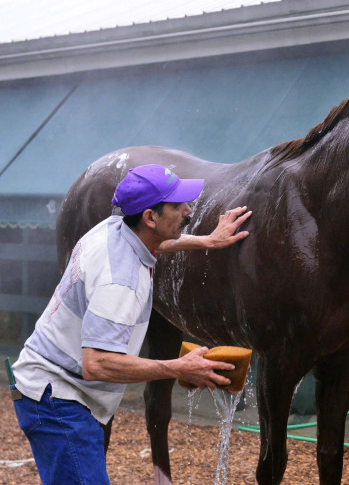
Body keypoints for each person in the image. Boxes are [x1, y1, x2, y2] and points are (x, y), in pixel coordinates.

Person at [9, 164, 253, 484]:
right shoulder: (120, 282)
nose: (188, 210)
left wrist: (206, 241)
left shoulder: (117, 227)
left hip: (50, 391)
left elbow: (156, 243)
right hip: (59, 402)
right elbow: (96, 364)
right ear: (150, 217)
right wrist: (177, 368)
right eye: (177, 206)